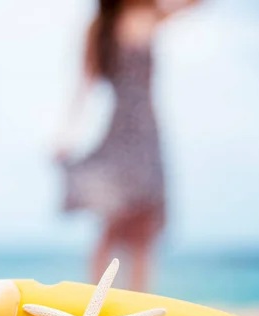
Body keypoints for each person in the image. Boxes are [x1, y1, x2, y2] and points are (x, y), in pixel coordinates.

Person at [54, 0, 197, 291]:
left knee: (145, 221)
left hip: (149, 130)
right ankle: (98, 305)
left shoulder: (151, 13)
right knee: (115, 219)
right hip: (120, 129)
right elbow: (85, 83)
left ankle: (138, 306)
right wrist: (66, 132)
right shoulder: (100, 29)